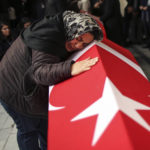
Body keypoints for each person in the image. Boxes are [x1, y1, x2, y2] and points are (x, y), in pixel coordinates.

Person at [0, 10, 103, 150]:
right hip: (12, 89)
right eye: (78, 39)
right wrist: (71, 68)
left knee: (44, 126)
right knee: (28, 130)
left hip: (27, 85)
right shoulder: (47, 35)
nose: (79, 46)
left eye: (84, 44)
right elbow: (40, 72)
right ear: (71, 28)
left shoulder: (63, 30)